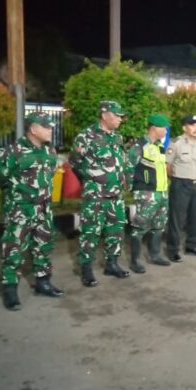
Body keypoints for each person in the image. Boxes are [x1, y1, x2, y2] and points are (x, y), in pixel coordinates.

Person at [0, 112, 64, 311]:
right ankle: (10, 289)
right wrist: (19, 194)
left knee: (44, 245)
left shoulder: (50, 150)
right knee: (13, 248)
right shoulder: (13, 151)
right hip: (20, 209)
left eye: (50, 126)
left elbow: (50, 173)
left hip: (44, 208)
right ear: (33, 129)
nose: (50, 130)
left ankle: (43, 282)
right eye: (46, 126)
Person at [69, 100, 130, 287]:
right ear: (104, 115)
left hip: (116, 195)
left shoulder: (117, 137)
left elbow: (120, 162)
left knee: (116, 230)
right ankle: (86, 268)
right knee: (90, 232)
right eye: (116, 115)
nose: (120, 119)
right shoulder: (86, 136)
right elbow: (75, 163)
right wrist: (92, 180)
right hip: (95, 195)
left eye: (121, 116)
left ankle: (112, 263)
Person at [127, 114, 172, 274]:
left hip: (162, 192)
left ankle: (155, 255)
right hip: (146, 193)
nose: (166, 130)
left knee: (159, 225)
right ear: (154, 128)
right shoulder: (140, 146)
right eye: (163, 128)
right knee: (140, 226)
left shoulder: (159, 146)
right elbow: (129, 168)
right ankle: (135, 260)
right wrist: (132, 189)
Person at [165, 114, 196, 263]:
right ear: (184, 128)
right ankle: (173, 250)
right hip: (181, 184)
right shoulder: (176, 143)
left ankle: (192, 245)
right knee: (178, 219)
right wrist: (177, 179)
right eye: (192, 125)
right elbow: (168, 166)